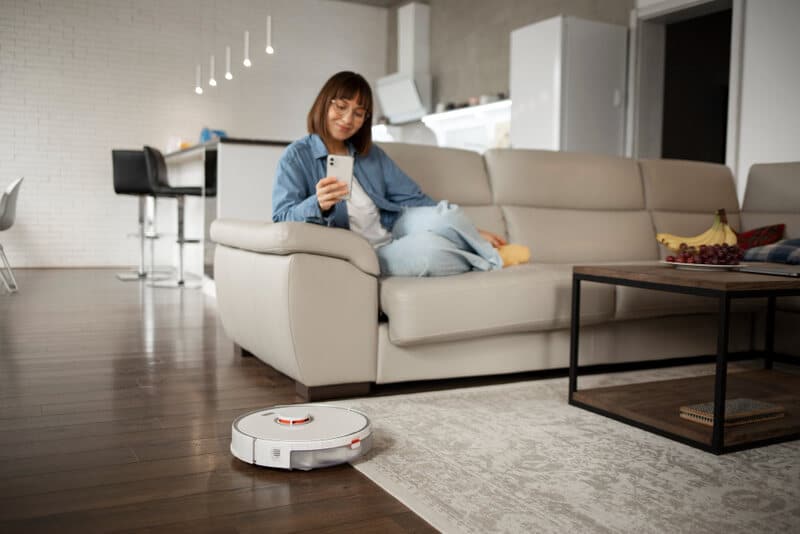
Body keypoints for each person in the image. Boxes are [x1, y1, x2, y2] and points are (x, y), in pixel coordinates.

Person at [272, 71, 529, 277]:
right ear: (323, 104)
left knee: (447, 213)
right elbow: (282, 218)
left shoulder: (371, 155)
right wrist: (317, 204)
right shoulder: (297, 156)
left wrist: (468, 230)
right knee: (431, 252)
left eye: (358, 113)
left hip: (393, 229)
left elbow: (414, 198)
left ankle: (485, 251)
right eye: (340, 107)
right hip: (361, 252)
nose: (348, 119)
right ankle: (492, 258)